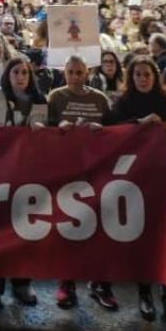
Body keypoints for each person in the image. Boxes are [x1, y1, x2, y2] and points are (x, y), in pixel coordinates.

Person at [105, 56, 166, 323]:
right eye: (138, 74)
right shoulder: (123, 102)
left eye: (147, 74)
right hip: (136, 178)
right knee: (142, 237)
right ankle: (144, 294)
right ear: (131, 77)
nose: (143, 79)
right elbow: (109, 128)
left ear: (155, 77)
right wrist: (138, 123)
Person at [45, 54, 118, 310]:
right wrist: (58, 127)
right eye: (71, 72)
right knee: (68, 229)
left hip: (96, 172)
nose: (75, 77)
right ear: (64, 73)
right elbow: (42, 130)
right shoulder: (55, 97)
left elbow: (117, 131)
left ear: (87, 73)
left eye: (79, 72)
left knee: (100, 229)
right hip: (65, 172)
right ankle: (66, 282)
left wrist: (102, 130)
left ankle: (100, 282)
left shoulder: (100, 99)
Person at [0, 55, 44, 312]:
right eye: (15, 72)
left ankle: (22, 283)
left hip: (25, 175)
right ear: (7, 75)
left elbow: (44, 133)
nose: (20, 77)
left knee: (23, 231)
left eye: (24, 73)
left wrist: (41, 128)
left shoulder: (39, 100)